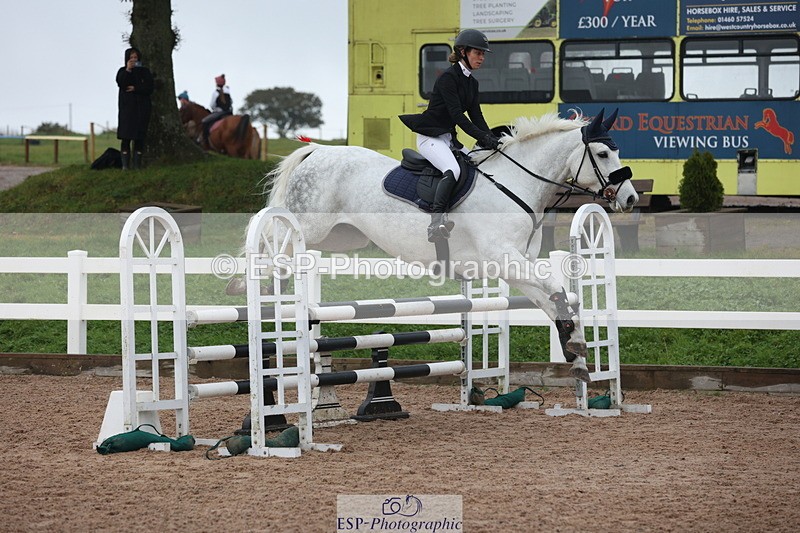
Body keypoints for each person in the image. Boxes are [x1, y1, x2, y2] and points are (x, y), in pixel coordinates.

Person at [400, 29, 502, 242]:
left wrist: (492, 138)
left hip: (448, 139)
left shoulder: (472, 83)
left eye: (483, 54)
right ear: (463, 52)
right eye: (478, 53)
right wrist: (482, 138)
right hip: (430, 138)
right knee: (453, 170)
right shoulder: (448, 78)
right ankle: (436, 223)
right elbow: (458, 116)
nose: (482, 58)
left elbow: (476, 115)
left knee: (475, 165)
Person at [116, 47, 153, 170]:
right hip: (127, 111)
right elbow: (121, 83)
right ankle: (125, 165)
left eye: (135, 58)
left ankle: (137, 165)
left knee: (139, 138)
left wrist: (136, 89)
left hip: (142, 110)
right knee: (126, 138)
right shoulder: (122, 71)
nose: (133, 60)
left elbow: (149, 87)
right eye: (131, 58)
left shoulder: (145, 72)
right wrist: (128, 70)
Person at [200, 74, 232, 147]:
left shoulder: (215, 93)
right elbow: (231, 102)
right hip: (229, 112)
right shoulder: (228, 90)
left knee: (204, 121)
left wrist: (215, 109)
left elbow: (212, 105)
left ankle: (205, 141)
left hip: (219, 113)